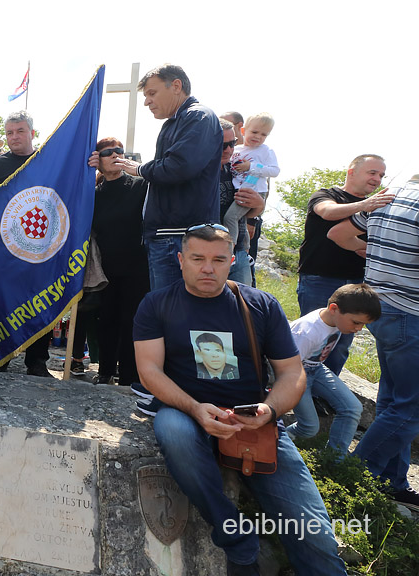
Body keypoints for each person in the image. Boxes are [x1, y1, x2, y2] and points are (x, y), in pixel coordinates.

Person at [134, 224, 345, 575]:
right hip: (188, 412)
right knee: (171, 428)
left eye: (218, 259)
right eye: (198, 258)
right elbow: (150, 371)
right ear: (180, 260)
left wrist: (270, 409)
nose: (207, 268)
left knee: (315, 534)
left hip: (254, 422)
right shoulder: (157, 304)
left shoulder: (259, 304)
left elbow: (292, 373)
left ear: (231, 261)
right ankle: (237, 539)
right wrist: (194, 408)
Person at [332, 176, 419, 509]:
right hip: (411, 314)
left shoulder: (389, 196)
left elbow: (337, 233)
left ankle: (390, 481)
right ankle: (355, 476)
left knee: (392, 401)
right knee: (409, 408)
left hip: (381, 309)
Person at [111, 64, 223, 291]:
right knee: (167, 311)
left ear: (176, 86)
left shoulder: (198, 117)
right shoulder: (174, 122)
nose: (146, 102)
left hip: (180, 236)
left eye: (152, 93)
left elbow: (179, 167)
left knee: (177, 312)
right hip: (169, 235)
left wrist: (140, 169)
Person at [296, 154, 392, 375]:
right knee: (311, 340)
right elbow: (327, 212)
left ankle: (326, 397)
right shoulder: (327, 195)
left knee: (340, 346)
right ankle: (297, 392)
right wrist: (365, 205)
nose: (377, 180)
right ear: (352, 172)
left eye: (381, 175)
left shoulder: (378, 205)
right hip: (319, 279)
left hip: (357, 284)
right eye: (372, 173)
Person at [0, 111, 52, 376]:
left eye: (20, 131)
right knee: (5, 303)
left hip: (41, 246)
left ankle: (37, 361)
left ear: (32, 133)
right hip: (6, 249)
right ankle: (1, 356)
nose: (14, 137)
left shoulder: (47, 160)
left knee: (40, 303)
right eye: (9, 132)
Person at [287, 283, 378, 455]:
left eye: (363, 325)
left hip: (316, 369)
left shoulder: (335, 318)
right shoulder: (307, 332)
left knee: (352, 408)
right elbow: (286, 368)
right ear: (334, 308)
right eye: (356, 322)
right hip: (296, 374)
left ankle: (333, 460)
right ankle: (280, 438)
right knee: (308, 428)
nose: (358, 329)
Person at [85, 137, 148, 384]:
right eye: (107, 152)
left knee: (131, 321)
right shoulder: (94, 193)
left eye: (118, 151)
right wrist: (87, 171)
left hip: (136, 267)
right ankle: (105, 371)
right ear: (97, 160)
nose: (114, 155)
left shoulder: (140, 185)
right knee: (107, 320)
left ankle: (129, 375)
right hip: (106, 269)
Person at [216, 120, 265, 286]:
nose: (229, 150)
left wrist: (259, 205)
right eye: (223, 145)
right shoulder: (197, 170)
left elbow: (250, 204)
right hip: (207, 252)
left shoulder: (237, 166)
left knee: (242, 307)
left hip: (239, 252)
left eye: (232, 143)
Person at [222, 113, 279, 249]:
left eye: (264, 134)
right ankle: (244, 246)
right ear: (243, 131)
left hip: (254, 191)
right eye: (254, 132)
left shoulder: (265, 151)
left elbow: (274, 171)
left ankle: (229, 250)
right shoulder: (236, 149)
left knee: (230, 218)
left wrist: (252, 167)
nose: (258, 137)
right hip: (239, 189)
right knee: (239, 219)